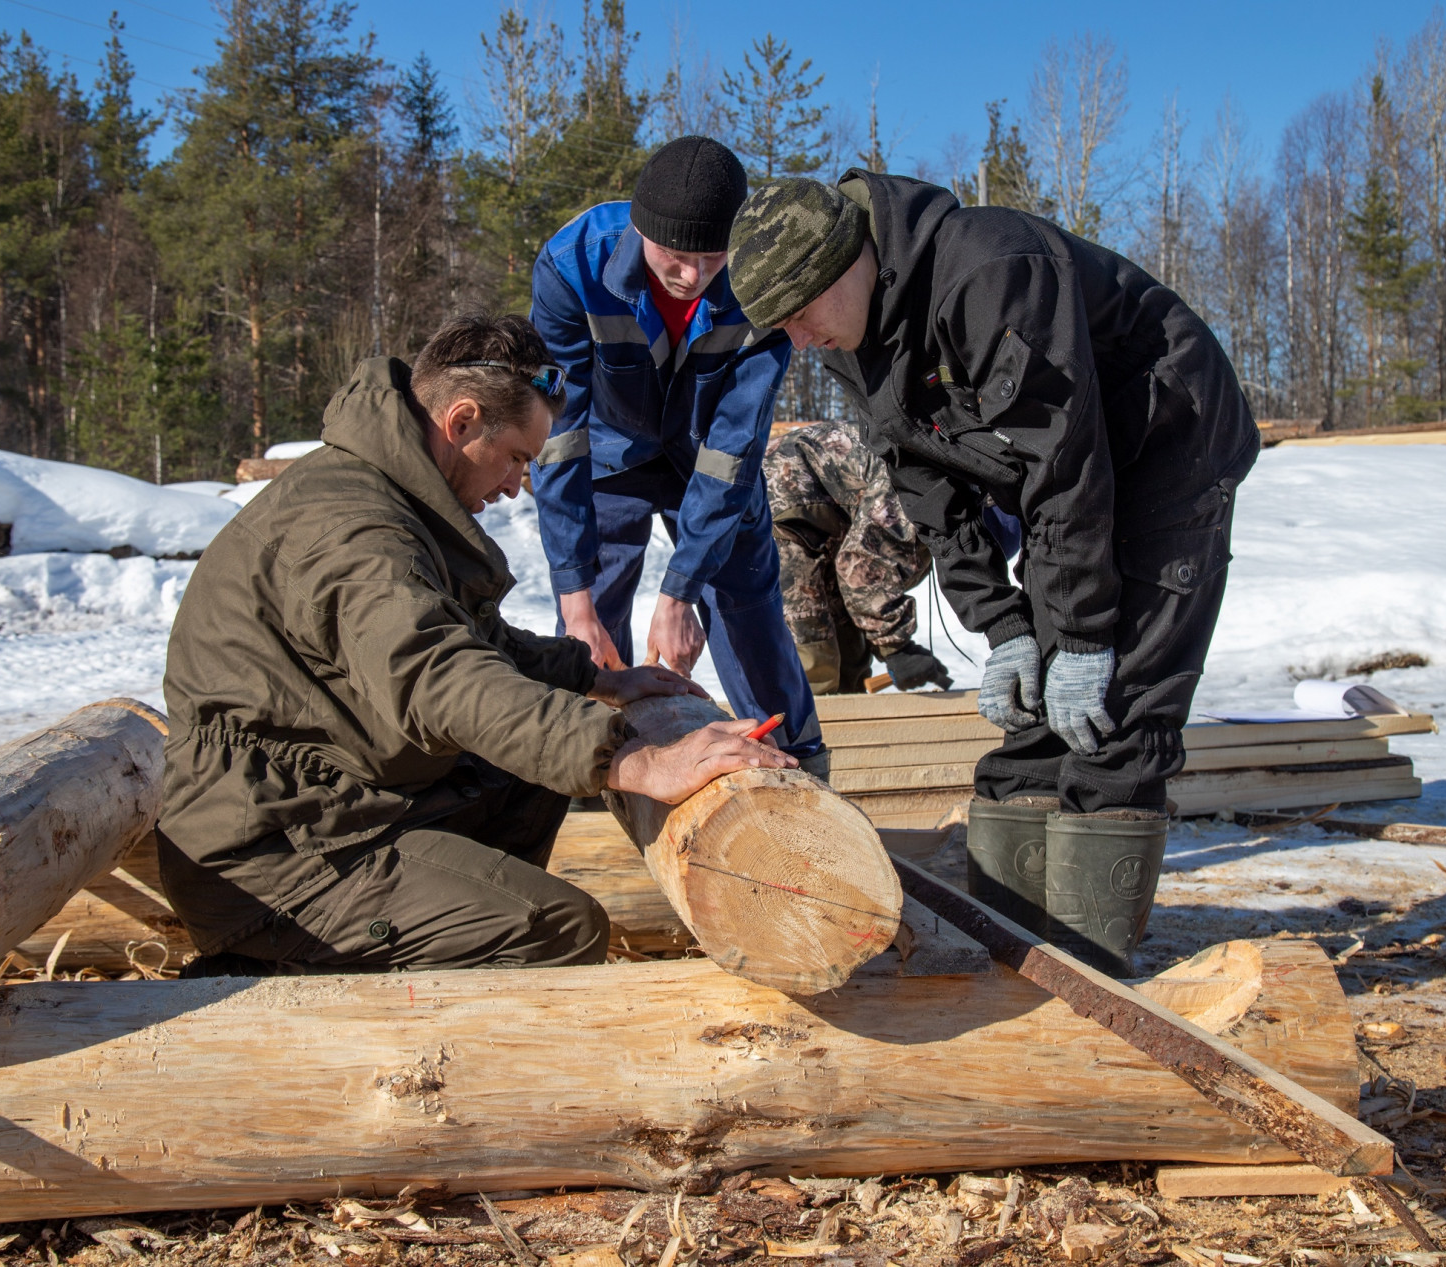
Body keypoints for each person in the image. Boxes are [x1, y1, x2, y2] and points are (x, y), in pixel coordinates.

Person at [727, 171, 1260, 976]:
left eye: (800, 315)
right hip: (1065, 482)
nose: (799, 341)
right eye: (783, 329)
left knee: (1115, 709)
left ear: (845, 261)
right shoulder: (853, 336)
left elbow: (1063, 459)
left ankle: (1086, 971)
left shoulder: (988, 269)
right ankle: (1013, 952)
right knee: (1033, 718)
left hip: (1167, 443)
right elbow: (926, 488)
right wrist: (1004, 624)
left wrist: (1081, 632)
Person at [156, 313, 795, 976]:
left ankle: (462, 945)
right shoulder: (352, 532)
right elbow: (440, 677)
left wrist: (593, 680)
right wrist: (640, 759)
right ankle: (288, 977)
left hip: (335, 801)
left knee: (527, 776)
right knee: (559, 928)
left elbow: (468, 639)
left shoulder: (387, 492)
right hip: (270, 855)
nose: (517, 484)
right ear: (461, 421)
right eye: (516, 456)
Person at [529, 135, 827, 773]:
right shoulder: (572, 264)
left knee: (745, 604)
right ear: (640, 228)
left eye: (712, 257)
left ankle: (798, 762)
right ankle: (585, 762)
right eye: (675, 255)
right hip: (611, 455)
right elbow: (557, 432)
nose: (692, 276)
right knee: (590, 615)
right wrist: (573, 599)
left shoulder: (760, 281)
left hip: (709, 459)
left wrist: (679, 593)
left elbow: (732, 451)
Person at [763, 417, 952, 695]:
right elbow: (864, 564)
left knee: (849, 662)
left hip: (824, 512)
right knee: (813, 664)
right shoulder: (929, 483)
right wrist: (896, 648)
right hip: (779, 504)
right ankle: (809, 721)